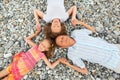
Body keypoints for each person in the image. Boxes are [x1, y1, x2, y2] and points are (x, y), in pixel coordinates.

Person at [0, 26, 64, 80]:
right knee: (3, 72)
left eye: (44, 46)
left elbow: (50, 66)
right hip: (17, 64)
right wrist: (36, 33)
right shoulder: (35, 46)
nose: (41, 46)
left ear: (47, 49)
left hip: (21, 71)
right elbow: (27, 39)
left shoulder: (42, 55)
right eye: (41, 44)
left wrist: (58, 61)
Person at [55, 20, 120, 74]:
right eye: (61, 42)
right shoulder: (72, 54)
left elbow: (92, 30)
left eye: (62, 37)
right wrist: (68, 64)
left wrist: (80, 23)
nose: (63, 39)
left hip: (114, 47)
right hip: (113, 62)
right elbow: (84, 71)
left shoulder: (76, 33)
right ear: (63, 47)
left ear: (65, 35)